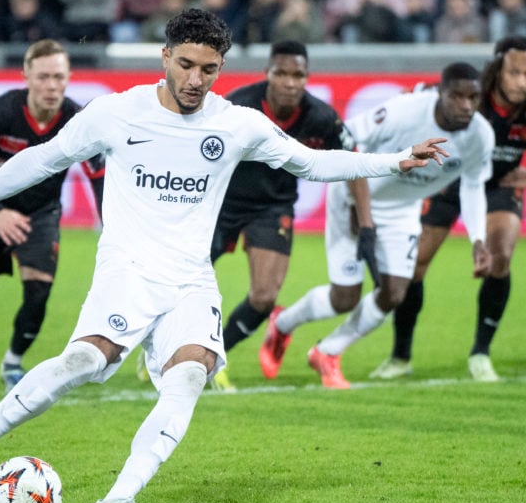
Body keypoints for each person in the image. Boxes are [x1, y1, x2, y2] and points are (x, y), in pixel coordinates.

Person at [0, 8, 449, 503]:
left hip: (191, 278)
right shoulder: (117, 113)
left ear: (222, 68)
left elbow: (313, 162)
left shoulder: (237, 124)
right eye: (186, 64)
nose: (195, 79)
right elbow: (40, 158)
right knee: (81, 364)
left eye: (209, 69)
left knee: (190, 374)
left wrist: (395, 161)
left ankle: (118, 500)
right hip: (128, 271)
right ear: (165, 57)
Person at [135, 40, 377, 391]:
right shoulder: (239, 104)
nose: (290, 83)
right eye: (282, 73)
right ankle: (155, 349)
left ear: (307, 78)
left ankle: (213, 360)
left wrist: (366, 224)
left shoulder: (321, 118)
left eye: (298, 75)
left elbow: (354, 163)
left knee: (264, 297)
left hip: (272, 207)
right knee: (179, 282)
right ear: (268, 74)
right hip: (219, 203)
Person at [258, 63, 495, 389]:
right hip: (352, 197)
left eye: (474, 97)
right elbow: (347, 140)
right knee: (345, 297)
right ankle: (282, 324)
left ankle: (327, 352)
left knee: (395, 291)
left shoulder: (481, 135)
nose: (466, 105)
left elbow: (472, 186)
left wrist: (478, 239)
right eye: (458, 96)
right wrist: (362, 208)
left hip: (402, 210)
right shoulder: (404, 112)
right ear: (440, 92)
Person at [375, 36, 526, 382]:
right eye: (514, 72)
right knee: (413, 267)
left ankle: (480, 353)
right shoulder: (469, 95)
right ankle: (401, 356)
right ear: (497, 70)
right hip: (449, 180)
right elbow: (414, 97)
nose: (522, 81)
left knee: (500, 258)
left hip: (498, 186)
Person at [0, 38, 104, 392]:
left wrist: (110, 226)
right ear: (26, 76)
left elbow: (99, 177)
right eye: (43, 77)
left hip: (41, 213)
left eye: (59, 77)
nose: (52, 86)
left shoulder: (77, 119)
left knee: (38, 292)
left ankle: (12, 363)